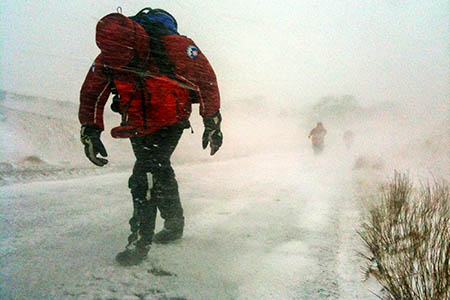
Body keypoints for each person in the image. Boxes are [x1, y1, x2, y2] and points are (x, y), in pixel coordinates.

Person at [78, 8, 222, 266]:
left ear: (137, 42)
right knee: (159, 169)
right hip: (137, 123)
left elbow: (206, 80)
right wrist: (89, 130)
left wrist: (212, 122)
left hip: (171, 121)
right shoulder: (107, 58)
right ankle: (174, 222)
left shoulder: (178, 48)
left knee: (144, 174)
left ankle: (139, 242)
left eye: (128, 60)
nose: (123, 65)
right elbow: (91, 93)